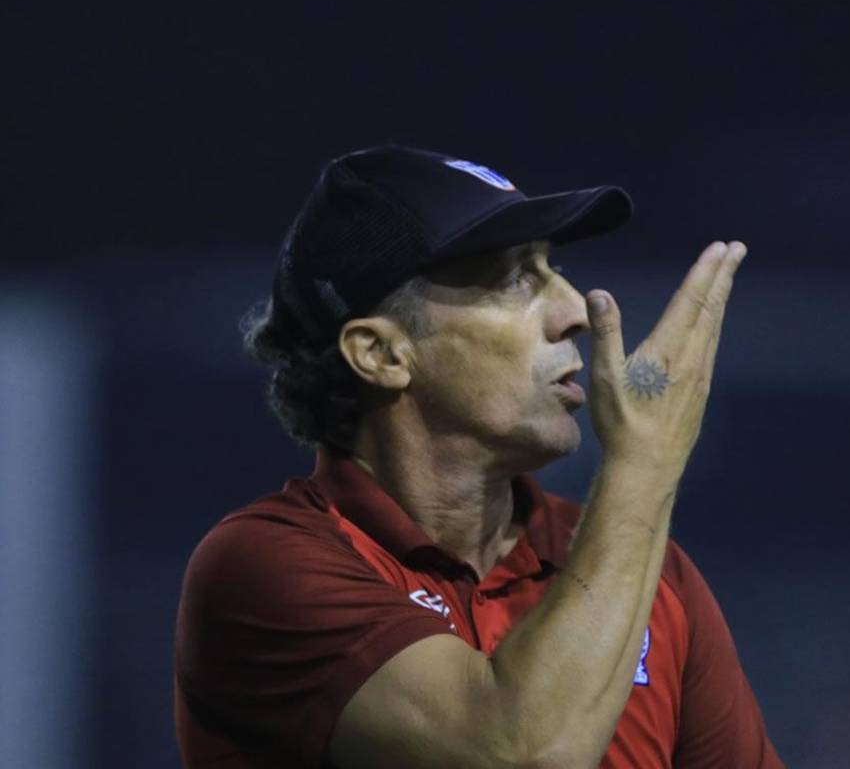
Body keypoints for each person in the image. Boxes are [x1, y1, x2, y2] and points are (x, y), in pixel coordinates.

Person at [174, 145, 783, 768]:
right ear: (382, 354)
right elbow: (522, 753)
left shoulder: (652, 573)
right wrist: (643, 464)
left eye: (552, 268)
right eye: (515, 279)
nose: (575, 310)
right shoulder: (262, 566)